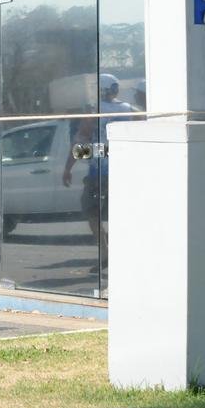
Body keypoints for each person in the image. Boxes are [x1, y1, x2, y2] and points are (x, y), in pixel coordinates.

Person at [61, 74, 136, 273]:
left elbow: (80, 141)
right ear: (115, 89)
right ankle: (116, 253)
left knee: (91, 211)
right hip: (124, 172)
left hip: (99, 173)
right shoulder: (129, 111)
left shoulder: (94, 112)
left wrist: (69, 166)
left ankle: (106, 252)